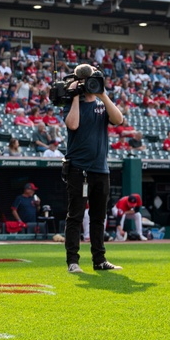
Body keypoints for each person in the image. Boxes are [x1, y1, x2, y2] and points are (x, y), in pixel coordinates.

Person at [61, 63, 125, 274]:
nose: (90, 83)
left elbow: (118, 119)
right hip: (79, 169)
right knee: (76, 215)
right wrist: (76, 97)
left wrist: (103, 94)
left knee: (99, 217)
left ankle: (100, 259)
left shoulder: (101, 104)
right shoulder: (71, 103)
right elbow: (73, 125)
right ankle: (73, 261)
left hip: (100, 169)